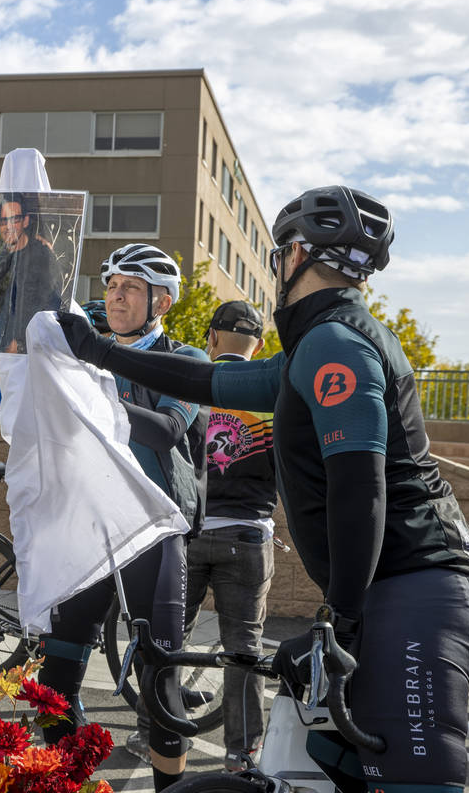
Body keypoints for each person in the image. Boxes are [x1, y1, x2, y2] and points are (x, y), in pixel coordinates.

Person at [56, 185, 469, 793]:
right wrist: (98, 350)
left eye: (281, 251)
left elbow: (360, 489)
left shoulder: (336, 343)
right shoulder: (312, 348)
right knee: (332, 773)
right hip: (390, 589)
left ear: (299, 254)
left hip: (416, 586)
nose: (276, 264)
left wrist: (338, 620)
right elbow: (205, 378)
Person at [38, 243, 208, 792]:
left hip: (154, 532)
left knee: (159, 683)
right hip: (90, 527)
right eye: (111, 284)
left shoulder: (189, 361)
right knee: (56, 674)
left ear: (161, 301)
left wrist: (95, 394)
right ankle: (74, 779)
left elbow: (166, 431)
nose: (115, 294)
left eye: (131, 287)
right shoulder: (86, 355)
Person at [188, 300, 277, 773]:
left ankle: (154, 732)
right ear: (259, 345)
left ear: (212, 337)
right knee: (244, 650)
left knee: (167, 639)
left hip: (191, 533)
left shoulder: (193, 384)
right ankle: (242, 755)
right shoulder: (271, 397)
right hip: (248, 536)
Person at [0, 193, 62, 354]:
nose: (8, 226)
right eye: (3, 220)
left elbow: (51, 304)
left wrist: (21, 342)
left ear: (25, 221)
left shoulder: (42, 256)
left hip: (29, 351)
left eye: (14, 219)